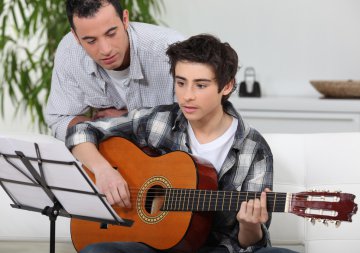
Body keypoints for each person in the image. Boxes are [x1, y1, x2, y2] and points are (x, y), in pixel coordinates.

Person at [66, 34, 298, 253]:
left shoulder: (253, 148)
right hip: (152, 246)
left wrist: (250, 225)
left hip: (219, 249)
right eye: (181, 82)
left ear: (226, 86)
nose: (187, 96)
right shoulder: (158, 121)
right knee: (95, 251)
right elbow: (81, 130)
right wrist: (104, 171)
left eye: (200, 85)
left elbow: (251, 244)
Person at [45, 0, 184, 141]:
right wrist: (111, 126)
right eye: (91, 41)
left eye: (111, 34)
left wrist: (124, 120)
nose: (106, 50)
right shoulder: (69, 52)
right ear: (75, 36)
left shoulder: (170, 51)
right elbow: (59, 120)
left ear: (125, 20)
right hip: (114, 155)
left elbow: (191, 122)